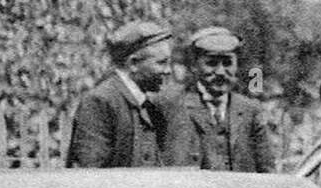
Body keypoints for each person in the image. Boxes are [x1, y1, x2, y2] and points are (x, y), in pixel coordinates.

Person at [162, 26, 275, 173]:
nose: (221, 72)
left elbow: (267, 171)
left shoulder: (250, 110)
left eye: (228, 63)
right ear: (195, 66)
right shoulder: (172, 105)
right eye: (211, 63)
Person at [66, 20, 173, 168]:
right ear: (134, 64)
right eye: (161, 63)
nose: (168, 71)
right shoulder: (100, 101)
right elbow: (88, 173)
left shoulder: (149, 106)